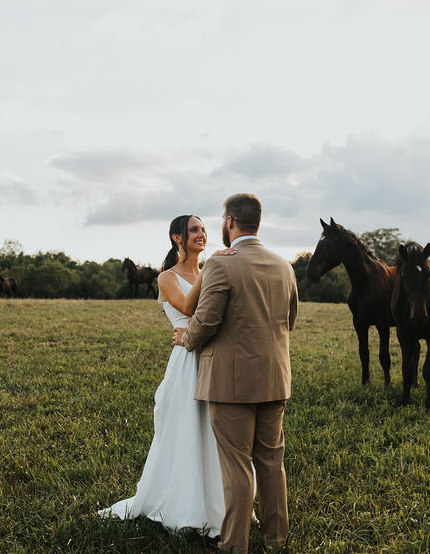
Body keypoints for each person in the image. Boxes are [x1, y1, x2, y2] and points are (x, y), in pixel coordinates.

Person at [175, 193, 299, 553]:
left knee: (237, 468)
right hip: (275, 379)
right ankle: (276, 540)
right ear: (256, 222)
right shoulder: (284, 266)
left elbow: (206, 322)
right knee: (271, 461)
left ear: (229, 221)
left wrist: (187, 337)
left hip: (230, 385)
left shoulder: (221, 265)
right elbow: (288, 321)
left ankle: (234, 546)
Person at [98, 214, 234, 539]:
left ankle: (216, 503)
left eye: (203, 229)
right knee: (185, 428)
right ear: (177, 238)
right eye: (194, 230)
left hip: (214, 358)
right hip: (187, 361)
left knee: (213, 431)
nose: (202, 234)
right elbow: (189, 309)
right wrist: (214, 269)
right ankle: (181, 504)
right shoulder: (166, 277)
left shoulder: (208, 272)